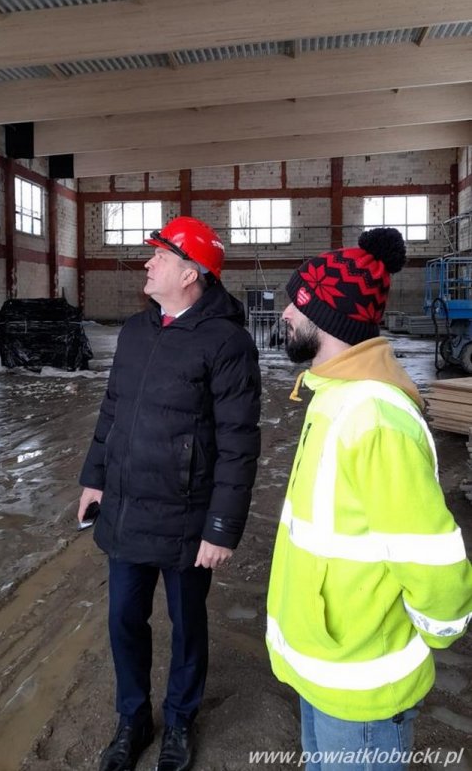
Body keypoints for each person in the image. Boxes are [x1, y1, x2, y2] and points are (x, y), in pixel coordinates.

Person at [267, 227, 472, 770]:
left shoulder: (375, 418)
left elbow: (432, 562)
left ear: (329, 318)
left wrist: (435, 628)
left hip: (364, 684)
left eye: (297, 302)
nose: (285, 312)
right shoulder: (331, 396)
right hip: (328, 664)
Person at [78, 216, 261, 771]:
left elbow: (239, 442)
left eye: (160, 255)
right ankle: (132, 719)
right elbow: (112, 410)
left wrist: (221, 526)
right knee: (123, 621)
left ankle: (180, 719)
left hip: (187, 516)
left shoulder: (227, 342)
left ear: (190, 273)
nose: (148, 262)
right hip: (127, 507)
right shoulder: (136, 331)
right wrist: (94, 478)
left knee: (187, 625)